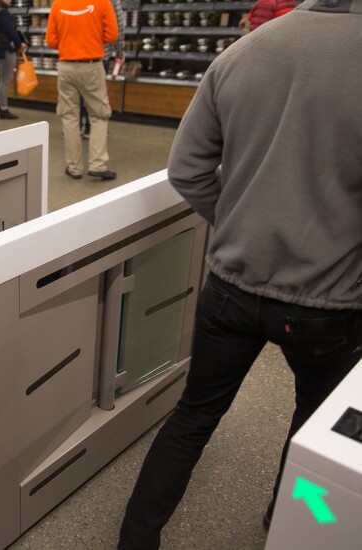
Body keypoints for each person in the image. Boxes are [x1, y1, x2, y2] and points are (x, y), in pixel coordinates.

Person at [118, 1, 362, 548]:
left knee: (193, 417)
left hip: (229, 288)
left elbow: (186, 168)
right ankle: (288, 529)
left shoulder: (245, 51)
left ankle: (135, 542)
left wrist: (232, 221)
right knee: (313, 433)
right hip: (329, 304)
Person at [46, 0, 118, 180]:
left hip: (66, 66)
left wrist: (69, 43)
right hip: (91, 66)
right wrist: (91, 38)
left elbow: (51, 40)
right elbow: (112, 34)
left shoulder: (58, 4)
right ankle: (98, 165)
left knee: (69, 116)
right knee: (99, 115)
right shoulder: (102, 2)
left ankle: (74, 168)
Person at [80, 0, 125, 140]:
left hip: (74, 55)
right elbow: (118, 27)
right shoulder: (111, 1)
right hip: (99, 56)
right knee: (96, 97)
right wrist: (119, 52)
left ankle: (74, 129)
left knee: (77, 96)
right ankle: (90, 128)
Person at [0, 0, 26, 120]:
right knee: (5, 80)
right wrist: (19, 44)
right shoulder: (3, 12)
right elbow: (12, 32)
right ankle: (4, 109)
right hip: (6, 49)